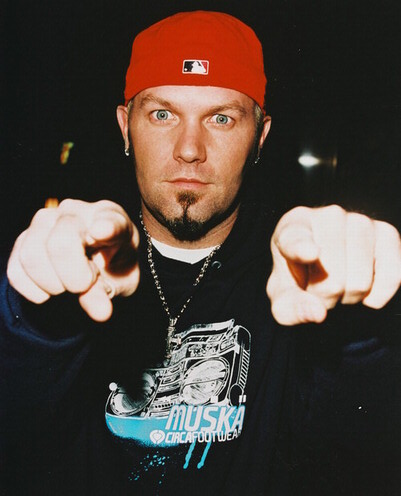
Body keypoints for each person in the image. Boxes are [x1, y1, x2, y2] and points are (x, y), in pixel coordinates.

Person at [1, 10, 400, 496]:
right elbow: (19, 434)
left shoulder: (294, 279)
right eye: (163, 114)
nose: (189, 149)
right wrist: (35, 316)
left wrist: (359, 328)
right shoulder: (73, 258)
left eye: (221, 118)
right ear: (126, 127)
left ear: (260, 137)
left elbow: (356, 453)